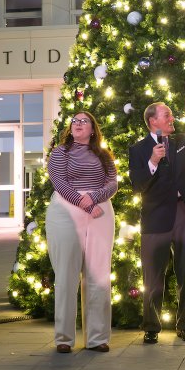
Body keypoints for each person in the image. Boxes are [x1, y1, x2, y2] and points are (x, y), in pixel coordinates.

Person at [128, 97, 185, 344]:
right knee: (153, 276)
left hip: (184, 212)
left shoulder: (183, 142)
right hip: (155, 217)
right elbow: (138, 185)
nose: (172, 118)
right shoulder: (139, 149)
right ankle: (151, 327)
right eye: (167, 115)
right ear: (152, 121)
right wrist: (152, 162)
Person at [46, 111, 118, 353]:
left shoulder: (104, 154)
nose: (77, 124)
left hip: (100, 213)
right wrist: (83, 201)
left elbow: (112, 183)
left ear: (93, 129)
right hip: (66, 212)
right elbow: (59, 182)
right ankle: (64, 338)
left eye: (83, 121)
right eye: (74, 121)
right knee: (66, 275)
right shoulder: (60, 153)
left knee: (98, 275)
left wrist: (95, 198)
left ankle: (97, 338)